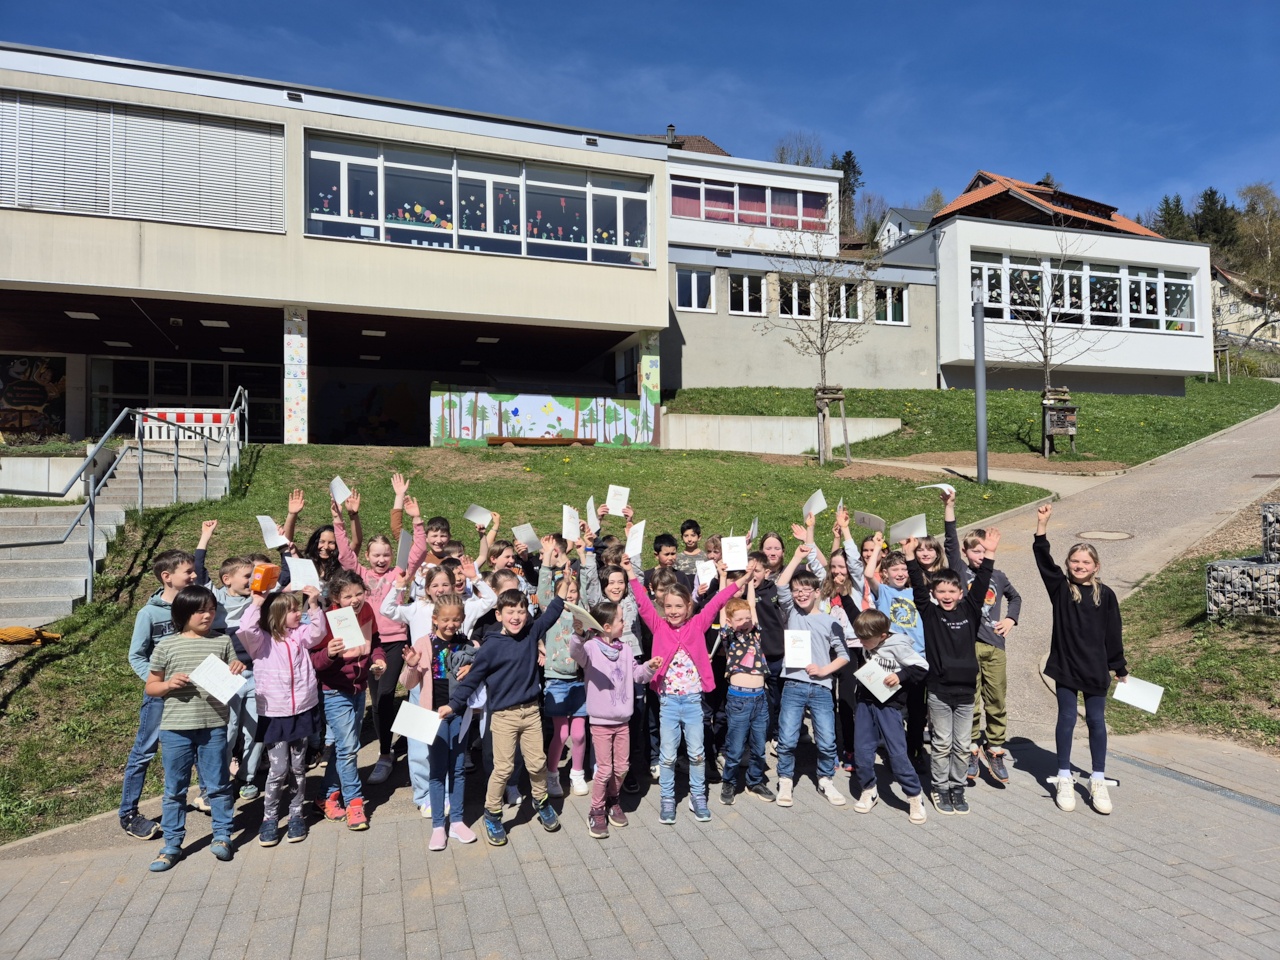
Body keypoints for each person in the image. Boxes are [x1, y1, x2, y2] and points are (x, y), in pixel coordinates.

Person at [439, 538, 567, 847]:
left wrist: (563, 586)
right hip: (504, 716)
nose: (516, 616)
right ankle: (493, 813)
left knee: (536, 764)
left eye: (521, 611)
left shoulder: (531, 631)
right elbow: (472, 681)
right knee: (504, 767)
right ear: (499, 615)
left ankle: (540, 801)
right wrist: (452, 706)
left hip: (531, 712)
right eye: (510, 611)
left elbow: (551, 614)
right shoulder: (492, 646)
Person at [626, 553, 744, 825]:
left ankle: (697, 797)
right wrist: (632, 575)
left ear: (689, 605)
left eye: (679, 606)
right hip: (668, 702)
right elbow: (643, 604)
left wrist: (744, 580)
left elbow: (716, 602)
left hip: (692, 702)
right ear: (663, 607)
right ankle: (667, 799)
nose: (674, 611)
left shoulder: (697, 624)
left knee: (697, 752)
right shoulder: (658, 625)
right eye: (668, 606)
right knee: (667, 756)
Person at [333, 483, 427, 786]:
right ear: (369, 557)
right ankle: (385, 753)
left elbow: (418, 551)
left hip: (397, 641)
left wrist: (417, 520)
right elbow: (346, 554)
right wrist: (341, 520)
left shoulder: (399, 573)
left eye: (386, 554)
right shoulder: (360, 576)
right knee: (378, 698)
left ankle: (398, 747)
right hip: (369, 643)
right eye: (376, 554)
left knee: (387, 693)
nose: (382, 559)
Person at [1035, 504, 1127, 815]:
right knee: (1067, 718)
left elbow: (1113, 635)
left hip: (1095, 669)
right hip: (1065, 666)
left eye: (1085, 561)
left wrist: (1119, 668)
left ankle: (1097, 779)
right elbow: (1043, 559)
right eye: (1074, 561)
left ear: (1096, 566)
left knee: (1097, 721)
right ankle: (1063, 776)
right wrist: (1042, 525)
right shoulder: (1061, 589)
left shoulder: (1107, 596)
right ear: (1068, 564)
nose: (1079, 565)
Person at [144, 586, 241, 871]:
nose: (208, 614)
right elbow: (151, 686)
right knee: (175, 789)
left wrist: (236, 666)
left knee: (219, 785)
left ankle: (223, 836)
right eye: (201, 610)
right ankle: (172, 844)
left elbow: (233, 671)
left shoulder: (222, 641)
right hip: (175, 728)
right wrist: (168, 685)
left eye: (211, 609)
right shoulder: (166, 646)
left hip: (213, 726)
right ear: (183, 614)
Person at [903, 529, 997, 816]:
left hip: (967, 691)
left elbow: (981, 585)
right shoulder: (930, 614)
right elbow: (918, 589)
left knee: (963, 744)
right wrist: (909, 557)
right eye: (940, 592)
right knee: (942, 744)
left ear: (960, 593)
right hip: (940, 692)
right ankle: (940, 787)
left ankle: (957, 787)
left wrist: (989, 554)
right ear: (934, 594)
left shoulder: (970, 610)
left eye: (951, 592)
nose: (946, 596)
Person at [940, 490, 1021, 785]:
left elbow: (1015, 598)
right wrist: (950, 507)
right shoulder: (959, 570)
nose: (981, 555)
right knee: (971, 700)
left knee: (996, 698)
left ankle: (996, 748)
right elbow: (949, 540)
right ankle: (973, 746)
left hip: (994, 646)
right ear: (966, 552)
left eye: (985, 551)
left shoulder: (997, 576)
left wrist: (1011, 618)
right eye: (976, 550)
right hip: (967, 647)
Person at [237, 586, 328, 846]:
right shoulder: (260, 640)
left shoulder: (300, 634)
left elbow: (318, 632)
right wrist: (258, 601)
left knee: (299, 768)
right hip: (275, 713)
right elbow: (245, 629)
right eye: (291, 610)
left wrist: (313, 604)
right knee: (278, 770)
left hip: (302, 711)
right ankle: (269, 818)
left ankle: (297, 814)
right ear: (276, 615)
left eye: (297, 608)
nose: (297, 613)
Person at [120, 549, 197, 841]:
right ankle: (128, 813)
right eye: (187, 572)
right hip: (160, 697)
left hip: (193, 696)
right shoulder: (149, 613)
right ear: (167, 577)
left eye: (193, 570)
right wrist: (158, 683)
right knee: (144, 752)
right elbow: (136, 655)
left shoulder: (193, 605)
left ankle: (206, 796)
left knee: (198, 747)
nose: (194, 575)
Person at [568, 600, 660, 839]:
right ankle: (596, 810)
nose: (625, 622)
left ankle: (613, 800)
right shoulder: (590, 648)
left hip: (623, 721)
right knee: (604, 769)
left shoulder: (626, 649)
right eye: (621, 619)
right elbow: (575, 652)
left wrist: (649, 666)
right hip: (600, 721)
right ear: (607, 626)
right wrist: (578, 634)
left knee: (621, 767)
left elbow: (638, 675)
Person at [774, 541, 851, 808]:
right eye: (797, 591)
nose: (800, 595)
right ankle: (785, 779)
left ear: (818, 592)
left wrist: (824, 670)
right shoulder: (792, 612)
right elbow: (781, 586)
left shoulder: (830, 620)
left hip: (821, 687)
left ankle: (826, 779)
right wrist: (795, 557)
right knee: (786, 736)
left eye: (806, 591)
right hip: (794, 684)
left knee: (828, 739)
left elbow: (844, 654)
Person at [192, 521, 263, 806]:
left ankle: (246, 778)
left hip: (255, 673)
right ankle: (215, 783)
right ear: (227, 580)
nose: (251, 581)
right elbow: (198, 571)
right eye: (247, 576)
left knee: (256, 729)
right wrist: (205, 537)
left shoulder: (257, 600)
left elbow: (283, 576)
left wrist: (285, 543)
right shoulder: (214, 600)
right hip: (225, 678)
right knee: (229, 731)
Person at [401, 593, 479, 850]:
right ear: (434, 619)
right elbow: (408, 684)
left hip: (459, 713)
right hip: (432, 716)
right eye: (445, 619)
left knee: (457, 768)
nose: (451, 624)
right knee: (437, 771)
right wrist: (412, 666)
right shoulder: (423, 643)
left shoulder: (467, 644)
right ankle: (437, 826)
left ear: (463, 619)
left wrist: (473, 669)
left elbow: (478, 675)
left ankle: (456, 821)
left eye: (456, 619)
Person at [310, 569, 386, 830]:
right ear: (335, 598)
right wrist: (329, 654)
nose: (355, 600)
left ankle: (325, 796)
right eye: (347, 596)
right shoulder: (326, 620)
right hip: (335, 691)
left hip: (358, 689)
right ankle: (355, 803)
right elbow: (314, 661)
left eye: (359, 593)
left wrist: (378, 660)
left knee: (345, 748)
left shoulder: (367, 612)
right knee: (349, 748)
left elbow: (375, 642)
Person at [847, 609, 929, 824]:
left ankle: (914, 796)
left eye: (866, 639)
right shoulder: (869, 641)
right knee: (863, 751)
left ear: (883, 636)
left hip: (890, 706)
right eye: (859, 638)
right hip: (866, 703)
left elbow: (922, 667)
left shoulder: (899, 645)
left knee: (897, 754)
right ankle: (869, 789)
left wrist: (899, 676)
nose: (861, 642)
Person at [537, 539, 590, 798]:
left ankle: (577, 773)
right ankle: (552, 774)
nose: (570, 594)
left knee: (579, 734)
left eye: (573, 590)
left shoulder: (582, 615)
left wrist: (583, 633)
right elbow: (543, 589)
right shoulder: (552, 612)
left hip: (580, 681)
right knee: (562, 732)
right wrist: (548, 561)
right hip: (556, 680)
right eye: (565, 590)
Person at [717, 587, 775, 804]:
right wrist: (724, 579)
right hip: (739, 699)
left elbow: (752, 606)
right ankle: (729, 782)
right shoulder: (729, 637)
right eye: (739, 618)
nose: (745, 621)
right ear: (730, 622)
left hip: (760, 697)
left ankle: (755, 781)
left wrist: (750, 582)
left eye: (747, 618)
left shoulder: (756, 635)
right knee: (736, 747)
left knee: (759, 747)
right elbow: (724, 608)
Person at [875, 547, 926, 761]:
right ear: (885, 572)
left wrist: (911, 555)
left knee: (916, 712)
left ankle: (915, 752)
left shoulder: (916, 592)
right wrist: (879, 545)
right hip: (892, 660)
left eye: (904, 569)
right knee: (893, 709)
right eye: (894, 568)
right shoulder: (884, 592)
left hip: (917, 657)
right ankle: (894, 753)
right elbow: (868, 575)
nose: (900, 573)